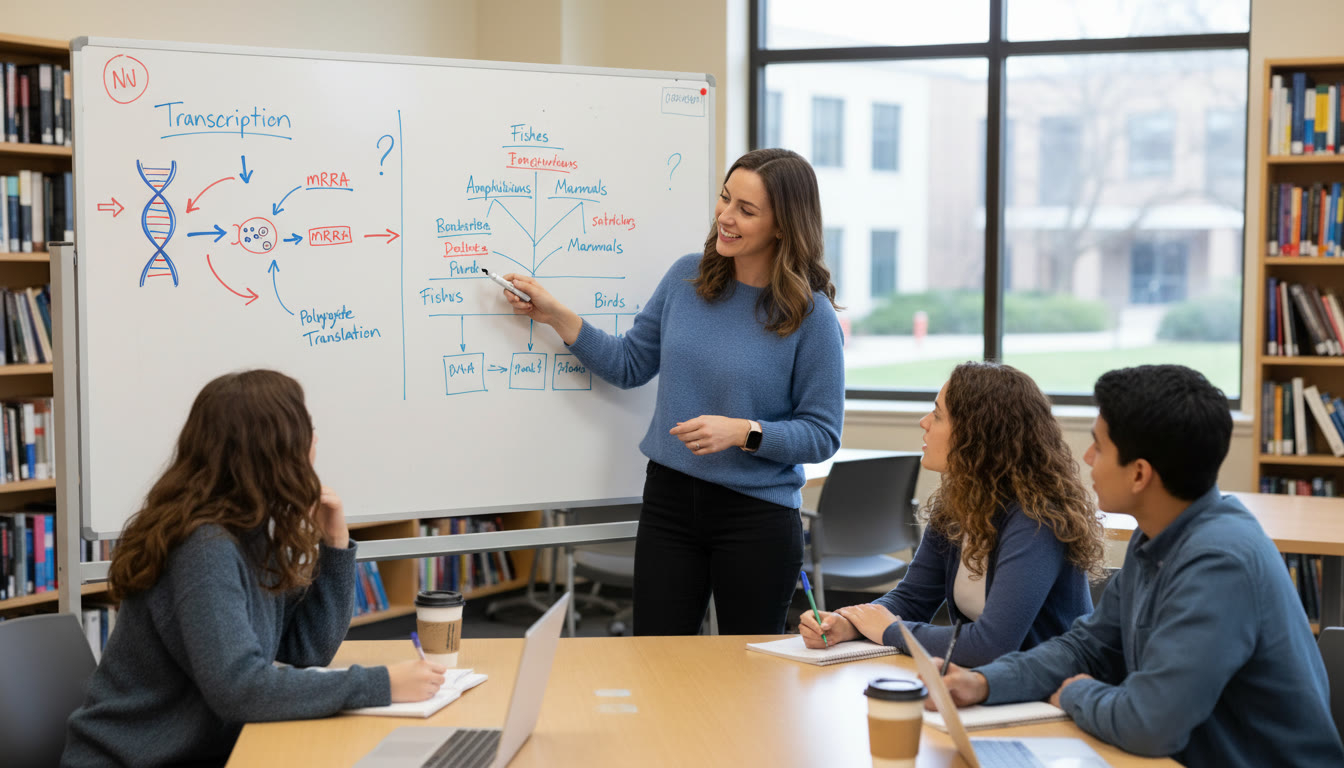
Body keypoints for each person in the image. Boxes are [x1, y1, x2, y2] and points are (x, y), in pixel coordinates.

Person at [500, 148, 844, 635]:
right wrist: (556, 314)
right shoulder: (688, 280)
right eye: (725, 199)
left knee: (746, 676)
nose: (725, 217)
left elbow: (823, 434)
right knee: (655, 661)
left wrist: (744, 432)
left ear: (784, 225)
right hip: (670, 502)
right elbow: (629, 363)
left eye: (746, 211)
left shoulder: (811, 317)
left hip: (757, 517)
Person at [934, 365, 1344, 767]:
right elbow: (1088, 646)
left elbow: (1150, 724)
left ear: (1139, 474)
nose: (1087, 457)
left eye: (1100, 446)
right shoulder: (1158, 535)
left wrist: (1077, 694)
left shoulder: (1220, 563)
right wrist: (986, 682)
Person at [62, 370, 446, 767]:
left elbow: (306, 650)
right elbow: (239, 688)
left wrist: (334, 544)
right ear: (274, 449)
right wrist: (382, 683)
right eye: (305, 428)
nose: (314, 440)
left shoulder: (249, 531)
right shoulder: (204, 548)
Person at [799, 361, 1105, 666]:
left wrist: (892, 631)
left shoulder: (1036, 520)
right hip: (990, 684)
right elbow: (911, 600)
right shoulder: (959, 503)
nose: (924, 422)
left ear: (978, 435)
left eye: (938, 415)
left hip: (1053, 693)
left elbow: (990, 646)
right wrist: (850, 623)